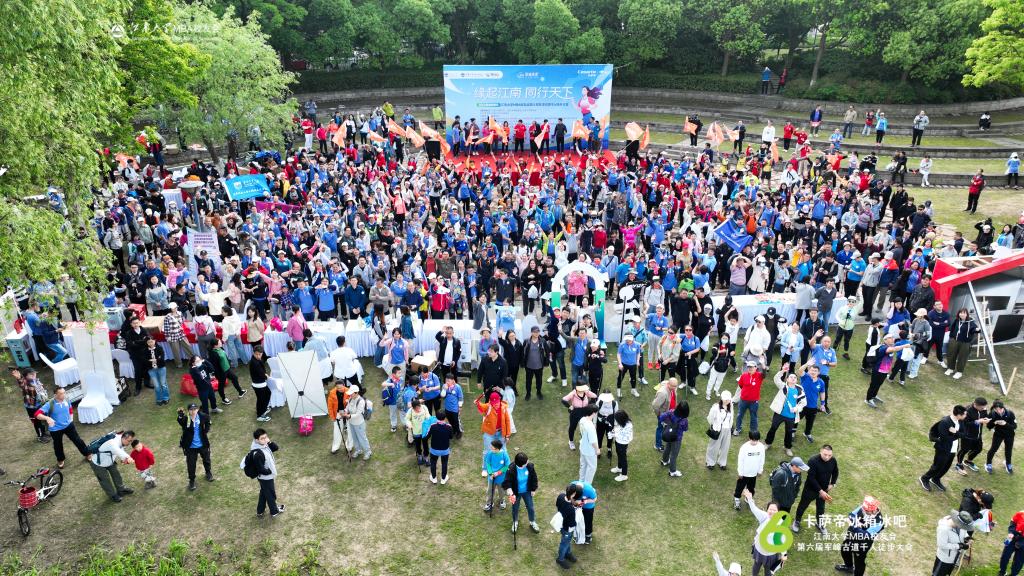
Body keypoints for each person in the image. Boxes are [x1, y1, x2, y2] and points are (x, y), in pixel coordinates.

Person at [34, 386, 90, 468]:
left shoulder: (67, 400)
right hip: (55, 429)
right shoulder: (50, 404)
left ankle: (87, 453)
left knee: (78, 440)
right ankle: (60, 459)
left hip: (68, 426)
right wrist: (47, 418)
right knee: (58, 445)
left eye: (64, 393)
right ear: (55, 395)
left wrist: (71, 419)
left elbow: (70, 409)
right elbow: (37, 414)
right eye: (61, 394)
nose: (64, 395)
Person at [791, 445, 839, 534]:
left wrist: (832, 483)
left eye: (829, 455)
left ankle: (820, 524)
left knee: (821, 508)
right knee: (803, 506)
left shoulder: (833, 460)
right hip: (810, 489)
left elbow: (835, 472)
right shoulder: (813, 461)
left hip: (824, 489)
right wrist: (821, 491)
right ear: (820, 451)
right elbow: (811, 478)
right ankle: (797, 521)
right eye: (825, 454)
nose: (827, 457)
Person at [921, 405, 968, 493]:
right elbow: (945, 438)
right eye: (964, 414)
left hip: (953, 448)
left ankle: (936, 479)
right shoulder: (945, 422)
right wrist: (957, 434)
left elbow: (964, 434)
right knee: (937, 466)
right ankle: (924, 478)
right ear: (959, 415)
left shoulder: (961, 421)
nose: (966, 416)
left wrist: (955, 432)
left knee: (946, 466)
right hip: (943, 448)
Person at [835, 496, 885, 576]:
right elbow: (851, 515)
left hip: (862, 543)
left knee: (859, 562)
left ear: (873, 510)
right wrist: (857, 525)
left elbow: (865, 535)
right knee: (845, 550)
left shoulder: (879, 522)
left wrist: (854, 525)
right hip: (851, 536)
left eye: (866, 510)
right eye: (863, 509)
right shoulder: (864, 507)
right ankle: (849, 567)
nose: (863, 510)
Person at [740, 488, 785, 576]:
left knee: (768, 570)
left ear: (778, 512)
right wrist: (749, 499)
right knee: (756, 565)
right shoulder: (764, 516)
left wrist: (784, 554)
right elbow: (754, 509)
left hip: (770, 554)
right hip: (759, 549)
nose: (772, 512)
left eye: (774, 510)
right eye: (770, 509)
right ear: (767, 510)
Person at [242, 428, 284, 518]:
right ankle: (274, 511)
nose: (265, 439)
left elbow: (275, 448)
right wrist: (270, 471)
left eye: (266, 437)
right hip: (265, 477)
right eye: (262, 438)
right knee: (271, 494)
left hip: (264, 477)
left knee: (264, 492)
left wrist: (269, 442)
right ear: (257, 440)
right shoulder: (258, 453)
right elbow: (260, 469)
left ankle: (260, 511)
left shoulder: (264, 445)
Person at [764, 370, 806, 457]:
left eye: (795, 378)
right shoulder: (783, 386)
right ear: (787, 379)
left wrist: (797, 408)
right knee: (773, 428)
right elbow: (776, 378)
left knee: (789, 432)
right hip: (779, 414)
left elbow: (803, 403)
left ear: (796, 380)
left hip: (791, 416)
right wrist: (782, 371)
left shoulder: (800, 389)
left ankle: (787, 447)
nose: (793, 379)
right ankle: (767, 443)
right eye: (791, 377)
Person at [89, 430, 136, 503]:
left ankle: (121, 490)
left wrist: (124, 459)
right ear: (124, 438)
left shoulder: (120, 438)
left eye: (131, 441)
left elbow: (121, 450)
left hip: (110, 461)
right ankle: (112, 495)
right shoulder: (112, 443)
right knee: (105, 480)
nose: (129, 443)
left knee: (116, 474)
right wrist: (128, 458)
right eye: (129, 441)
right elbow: (118, 451)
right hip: (98, 463)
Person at [177, 403, 214, 491]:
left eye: (195, 409)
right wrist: (180, 415)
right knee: (191, 464)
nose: (193, 411)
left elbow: (208, 420)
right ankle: (192, 480)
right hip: (190, 447)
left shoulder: (202, 416)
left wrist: (206, 429)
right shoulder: (186, 419)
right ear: (188, 411)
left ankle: (208, 473)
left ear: (197, 409)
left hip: (202, 444)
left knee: (207, 459)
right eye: (191, 410)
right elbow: (180, 421)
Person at [503, 452, 542, 534]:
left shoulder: (530, 466)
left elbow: (534, 478)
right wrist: (510, 491)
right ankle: (515, 522)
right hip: (516, 492)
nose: (528, 462)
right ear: (521, 465)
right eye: (526, 462)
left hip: (527, 491)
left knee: (530, 507)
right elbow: (507, 481)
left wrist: (533, 489)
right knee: (515, 508)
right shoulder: (511, 469)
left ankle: (532, 521)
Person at [475, 390, 511, 476]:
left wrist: (507, 435)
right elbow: (481, 406)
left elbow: (507, 421)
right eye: (494, 403)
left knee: (503, 450)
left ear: (499, 400)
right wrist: (477, 403)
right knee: (487, 451)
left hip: (501, 432)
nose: (496, 405)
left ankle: (506, 467)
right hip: (489, 433)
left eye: (497, 402)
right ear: (490, 402)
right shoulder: (488, 406)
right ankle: (485, 469)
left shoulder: (504, 408)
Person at [12, 367, 50, 443]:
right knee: (37, 422)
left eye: (34, 373)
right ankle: (40, 436)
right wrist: (19, 378)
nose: (33, 375)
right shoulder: (26, 383)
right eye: (31, 374)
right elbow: (22, 383)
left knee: (42, 419)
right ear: (26, 376)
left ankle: (44, 433)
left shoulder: (37, 381)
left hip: (40, 404)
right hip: (32, 407)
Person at [933, 511, 975, 576]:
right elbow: (942, 545)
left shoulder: (960, 525)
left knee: (947, 573)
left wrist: (967, 537)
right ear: (958, 522)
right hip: (944, 559)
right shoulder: (944, 529)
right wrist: (959, 546)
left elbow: (964, 532)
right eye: (963, 526)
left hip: (954, 557)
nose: (963, 527)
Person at [956, 397, 990, 475]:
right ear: (975, 404)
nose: (983, 409)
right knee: (964, 450)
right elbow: (965, 424)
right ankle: (959, 464)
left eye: (984, 407)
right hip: (967, 435)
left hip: (978, 435)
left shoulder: (983, 409)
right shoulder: (967, 411)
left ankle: (968, 461)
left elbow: (985, 416)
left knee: (978, 449)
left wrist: (987, 419)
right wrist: (978, 421)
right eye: (982, 408)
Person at [734, 431, 766, 510]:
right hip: (744, 473)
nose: (755, 442)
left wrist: (760, 470)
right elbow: (740, 460)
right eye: (753, 440)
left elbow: (762, 459)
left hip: (753, 473)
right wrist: (740, 472)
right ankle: (737, 499)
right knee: (740, 487)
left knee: (751, 488)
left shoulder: (761, 447)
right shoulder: (744, 447)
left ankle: (748, 498)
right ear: (749, 438)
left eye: (756, 440)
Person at [945, 309, 979, 380]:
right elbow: (952, 328)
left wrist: (977, 330)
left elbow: (974, 329)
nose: (962, 314)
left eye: (964, 313)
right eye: (960, 313)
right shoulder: (957, 320)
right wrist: (951, 337)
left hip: (965, 343)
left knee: (962, 357)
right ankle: (951, 368)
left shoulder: (971, 322)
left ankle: (959, 372)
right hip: (954, 341)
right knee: (951, 354)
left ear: (967, 314)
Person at [554, 483, 581, 569]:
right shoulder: (571, 509)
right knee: (564, 543)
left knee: (567, 542)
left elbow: (557, 505)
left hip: (561, 524)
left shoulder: (561, 496)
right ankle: (560, 559)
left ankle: (567, 553)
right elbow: (572, 523)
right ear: (573, 494)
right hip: (567, 529)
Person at [341, 385, 371, 460]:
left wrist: (349, 416)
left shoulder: (361, 401)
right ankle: (358, 450)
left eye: (351, 393)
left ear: (356, 393)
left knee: (362, 438)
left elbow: (358, 414)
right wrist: (345, 411)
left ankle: (368, 452)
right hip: (351, 423)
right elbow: (347, 407)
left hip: (359, 423)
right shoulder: (351, 398)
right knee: (354, 437)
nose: (350, 395)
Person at [659, 401, 690, 477]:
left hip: (669, 435)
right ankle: (672, 471)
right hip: (677, 439)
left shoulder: (671, 412)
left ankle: (664, 461)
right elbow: (685, 429)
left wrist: (665, 423)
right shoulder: (684, 420)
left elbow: (661, 417)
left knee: (667, 448)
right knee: (674, 455)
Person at [734, 360, 764, 436]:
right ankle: (738, 428)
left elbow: (764, 373)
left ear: (756, 368)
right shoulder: (744, 376)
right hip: (743, 400)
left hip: (754, 402)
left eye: (752, 367)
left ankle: (753, 431)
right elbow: (740, 385)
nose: (750, 368)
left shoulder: (759, 376)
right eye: (749, 367)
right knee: (740, 415)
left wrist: (763, 364)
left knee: (753, 416)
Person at [706, 390, 734, 470]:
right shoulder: (715, 407)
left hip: (727, 430)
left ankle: (722, 462)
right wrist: (715, 426)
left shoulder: (731, 406)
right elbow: (710, 419)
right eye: (726, 399)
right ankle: (710, 462)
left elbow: (731, 417)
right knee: (713, 447)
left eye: (728, 399)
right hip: (717, 430)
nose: (727, 401)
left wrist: (730, 427)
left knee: (725, 447)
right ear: (722, 399)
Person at [986, 400, 1016, 474]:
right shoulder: (992, 414)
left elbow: (1014, 426)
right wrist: (994, 423)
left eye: (1000, 409)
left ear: (1003, 407)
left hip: (1009, 434)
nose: (998, 411)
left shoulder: (1010, 413)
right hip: (998, 434)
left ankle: (1008, 463)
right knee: (993, 449)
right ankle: (988, 463)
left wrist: (1005, 424)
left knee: (1008, 450)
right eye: (996, 409)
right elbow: (988, 426)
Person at [425, 411, 453, 484]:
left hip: (434, 450)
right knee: (444, 463)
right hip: (445, 450)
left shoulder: (432, 426)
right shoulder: (449, 427)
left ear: (436, 417)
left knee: (433, 463)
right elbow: (451, 437)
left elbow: (427, 436)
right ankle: (443, 479)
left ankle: (434, 478)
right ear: (445, 417)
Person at [522, 326, 548, 400]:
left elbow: (547, 351)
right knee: (528, 381)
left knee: (539, 381)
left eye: (538, 332)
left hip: (539, 366)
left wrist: (546, 362)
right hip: (529, 366)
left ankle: (539, 392)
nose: (536, 333)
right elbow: (523, 353)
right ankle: (528, 393)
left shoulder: (542, 341)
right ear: (531, 332)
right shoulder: (526, 341)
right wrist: (523, 362)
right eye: (535, 332)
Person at [577, 404, 599, 483]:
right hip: (590, 450)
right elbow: (593, 441)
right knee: (592, 468)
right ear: (593, 413)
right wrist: (597, 450)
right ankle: (587, 485)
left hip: (582, 447)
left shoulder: (582, 419)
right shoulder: (590, 426)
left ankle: (581, 481)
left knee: (583, 465)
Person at [248, 346, 272, 421]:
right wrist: (265, 376)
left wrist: (264, 374)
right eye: (257, 354)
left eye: (260, 354)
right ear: (253, 353)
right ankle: (260, 415)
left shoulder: (256, 359)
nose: (258, 356)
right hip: (258, 384)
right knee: (261, 399)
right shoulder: (254, 363)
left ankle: (263, 408)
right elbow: (261, 374)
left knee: (267, 394)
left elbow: (262, 370)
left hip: (260, 383)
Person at [144, 336, 169, 405]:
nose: (151, 343)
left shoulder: (159, 348)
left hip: (161, 368)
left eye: (152, 341)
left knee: (163, 384)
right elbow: (144, 361)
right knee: (157, 386)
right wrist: (157, 359)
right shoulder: (145, 351)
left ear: (154, 341)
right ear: (146, 343)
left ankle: (166, 398)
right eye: (149, 342)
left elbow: (162, 359)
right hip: (151, 370)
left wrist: (152, 360)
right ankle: (159, 399)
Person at [616, 332, 642, 398]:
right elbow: (619, 354)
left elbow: (638, 353)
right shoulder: (622, 345)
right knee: (620, 377)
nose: (627, 341)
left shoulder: (637, 345)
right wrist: (620, 363)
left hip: (633, 364)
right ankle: (618, 390)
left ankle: (633, 389)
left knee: (633, 377)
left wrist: (637, 361)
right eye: (626, 339)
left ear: (632, 339)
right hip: (623, 364)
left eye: (629, 340)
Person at [609, 410, 633, 482]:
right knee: (619, 455)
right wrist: (614, 431)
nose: (616, 421)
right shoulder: (622, 422)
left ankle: (624, 475)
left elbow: (625, 436)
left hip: (623, 444)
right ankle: (619, 468)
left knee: (623, 458)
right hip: (618, 442)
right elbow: (618, 429)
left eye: (617, 419)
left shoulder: (628, 425)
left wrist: (613, 435)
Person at [572, 480, 598, 544]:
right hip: (577, 507)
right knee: (577, 520)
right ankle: (577, 534)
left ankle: (588, 535)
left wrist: (585, 501)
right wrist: (574, 502)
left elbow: (594, 499)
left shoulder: (589, 490)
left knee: (587, 521)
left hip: (588, 507)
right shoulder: (572, 486)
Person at [999, 510, 1024, 576]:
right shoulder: (1021, 513)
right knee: (1005, 556)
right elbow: (1013, 523)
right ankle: (1002, 572)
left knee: (1019, 561)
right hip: (1013, 537)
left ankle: (1013, 574)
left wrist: (1022, 543)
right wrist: (1011, 532)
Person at [441, 373, 464, 439]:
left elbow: (460, 397)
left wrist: (460, 407)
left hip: (455, 408)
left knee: (456, 421)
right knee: (450, 420)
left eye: (448, 381)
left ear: (453, 380)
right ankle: (454, 430)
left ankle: (459, 432)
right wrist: (444, 389)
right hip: (447, 408)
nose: (447, 382)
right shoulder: (444, 386)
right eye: (446, 380)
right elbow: (442, 396)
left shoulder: (457, 387)